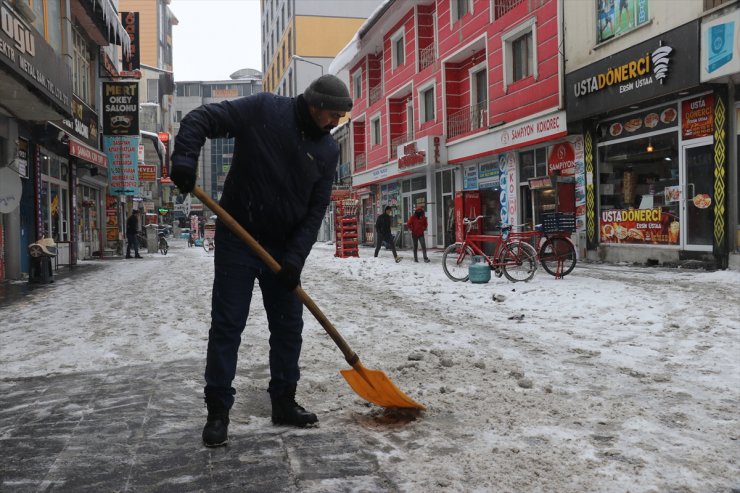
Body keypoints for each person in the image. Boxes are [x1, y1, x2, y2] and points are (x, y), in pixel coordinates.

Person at [169, 74, 352, 448]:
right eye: (333, 115)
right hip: (239, 236)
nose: (335, 123)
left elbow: (316, 209)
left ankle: (284, 401)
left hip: (283, 248)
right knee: (227, 324)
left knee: (288, 328)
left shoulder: (327, 151)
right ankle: (218, 411)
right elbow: (200, 119)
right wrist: (185, 159)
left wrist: (295, 259)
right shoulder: (264, 109)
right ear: (315, 105)